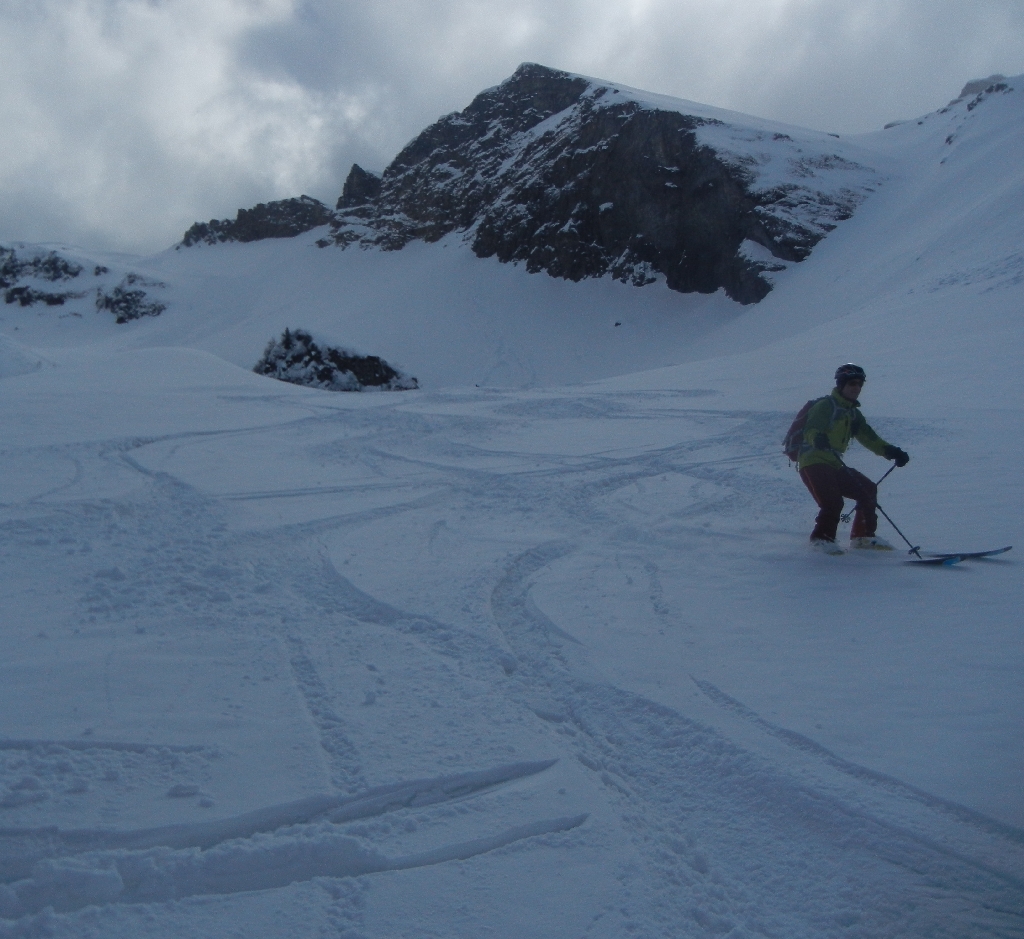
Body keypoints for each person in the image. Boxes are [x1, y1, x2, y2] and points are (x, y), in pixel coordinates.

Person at [798, 364, 910, 552]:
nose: (856, 388)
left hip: (834, 463)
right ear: (841, 385)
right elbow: (811, 429)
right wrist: (817, 438)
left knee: (867, 489)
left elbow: (870, 438)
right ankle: (821, 540)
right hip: (813, 461)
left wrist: (891, 452)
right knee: (832, 501)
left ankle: (863, 538)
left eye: (859, 384)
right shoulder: (825, 406)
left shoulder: (853, 414)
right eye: (852, 383)